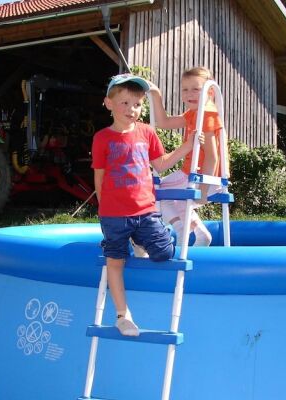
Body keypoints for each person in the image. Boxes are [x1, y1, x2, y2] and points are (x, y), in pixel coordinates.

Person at [91, 73, 199, 336]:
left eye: (137, 104)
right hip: (114, 215)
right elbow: (100, 178)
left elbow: (161, 164)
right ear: (109, 103)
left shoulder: (147, 133)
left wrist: (187, 147)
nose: (132, 109)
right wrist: (104, 211)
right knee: (115, 262)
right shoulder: (102, 138)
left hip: (145, 212)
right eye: (125, 103)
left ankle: (140, 241)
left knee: (164, 252)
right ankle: (122, 315)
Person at [148, 67, 227, 246]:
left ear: (210, 92)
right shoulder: (194, 113)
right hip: (192, 174)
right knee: (159, 192)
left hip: (205, 177)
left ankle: (182, 231)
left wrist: (204, 191)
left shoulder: (207, 114)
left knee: (153, 192)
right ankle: (199, 234)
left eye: (196, 89)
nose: (189, 94)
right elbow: (164, 123)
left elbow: (212, 157)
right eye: (185, 89)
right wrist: (156, 95)